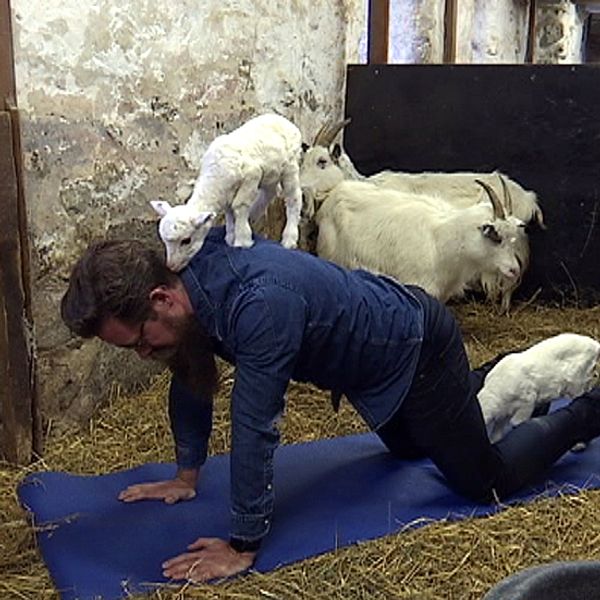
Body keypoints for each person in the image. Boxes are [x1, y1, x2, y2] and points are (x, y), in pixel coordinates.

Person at [61, 226, 600, 583]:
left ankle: (589, 409)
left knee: (483, 479)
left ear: (161, 298)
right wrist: (185, 474)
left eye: (138, 340)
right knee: (413, 447)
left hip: (415, 345)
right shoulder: (189, 288)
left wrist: (243, 543)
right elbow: (188, 366)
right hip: (373, 369)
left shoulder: (258, 306)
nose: (144, 352)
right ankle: (489, 377)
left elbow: (254, 424)